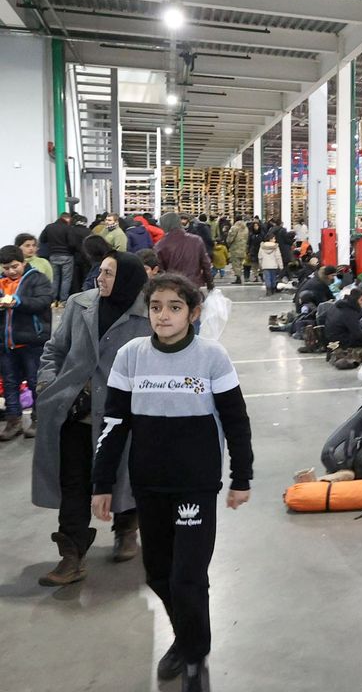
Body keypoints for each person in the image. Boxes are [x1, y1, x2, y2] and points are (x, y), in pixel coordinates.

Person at [91, 272, 253, 692]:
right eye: (156, 307)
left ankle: (195, 657)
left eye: (174, 307)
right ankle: (185, 637)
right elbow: (113, 424)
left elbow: (236, 422)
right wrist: (102, 483)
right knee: (158, 574)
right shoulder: (131, 356)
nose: (163, 315)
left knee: (188, 577)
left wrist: (241, 477)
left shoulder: (212, 358)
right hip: (149, 484)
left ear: (193, 313)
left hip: (195, 485)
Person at [32, 251, 151, 585]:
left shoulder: (147, 315)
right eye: (100, 271)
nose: (101, 278)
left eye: (109, 273)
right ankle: (72, 554)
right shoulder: (79, 304)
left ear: (127, 277)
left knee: (124, 475)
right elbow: (54, 350)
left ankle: (126, 526)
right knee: (74, 482)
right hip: (74, 412)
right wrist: (47, 384)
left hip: (121, 416)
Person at [0, 245, 53, 440]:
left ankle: (40, 419)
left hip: (32, 342)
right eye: (6, 268)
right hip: (6, 344)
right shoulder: (1, 282)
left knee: (35, 382)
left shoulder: (37, 278)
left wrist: (17, 302)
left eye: (14, 266)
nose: (11, 271)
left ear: (23, 262)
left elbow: (44, 301)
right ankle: (12, 420)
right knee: (9, 383)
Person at [156, 213, 214, 292]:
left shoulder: (160, 245)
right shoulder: (196, 240)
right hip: (194, 285)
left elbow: (160, 271)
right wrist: (210, 283)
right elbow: (206, 264)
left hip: (173, 287)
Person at [39, 212, 80, 305]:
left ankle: (53, 299)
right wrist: (72, 252)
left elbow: (42, 239)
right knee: (66, 279)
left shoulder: (49, 227)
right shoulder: (68, 228)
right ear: (67, 219)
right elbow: (73, 243)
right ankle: (63, 300)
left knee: (55, 278)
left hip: (53, 255)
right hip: (67, 256)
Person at [226, 219, 248, 285]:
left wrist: (228, 243)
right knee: (240, 264)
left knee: (236, 264)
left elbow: (230, 239)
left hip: (235, 248)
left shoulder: (234, 228)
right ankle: (240, 276)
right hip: (243, 248)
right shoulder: (246, 228)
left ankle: (238, 278)